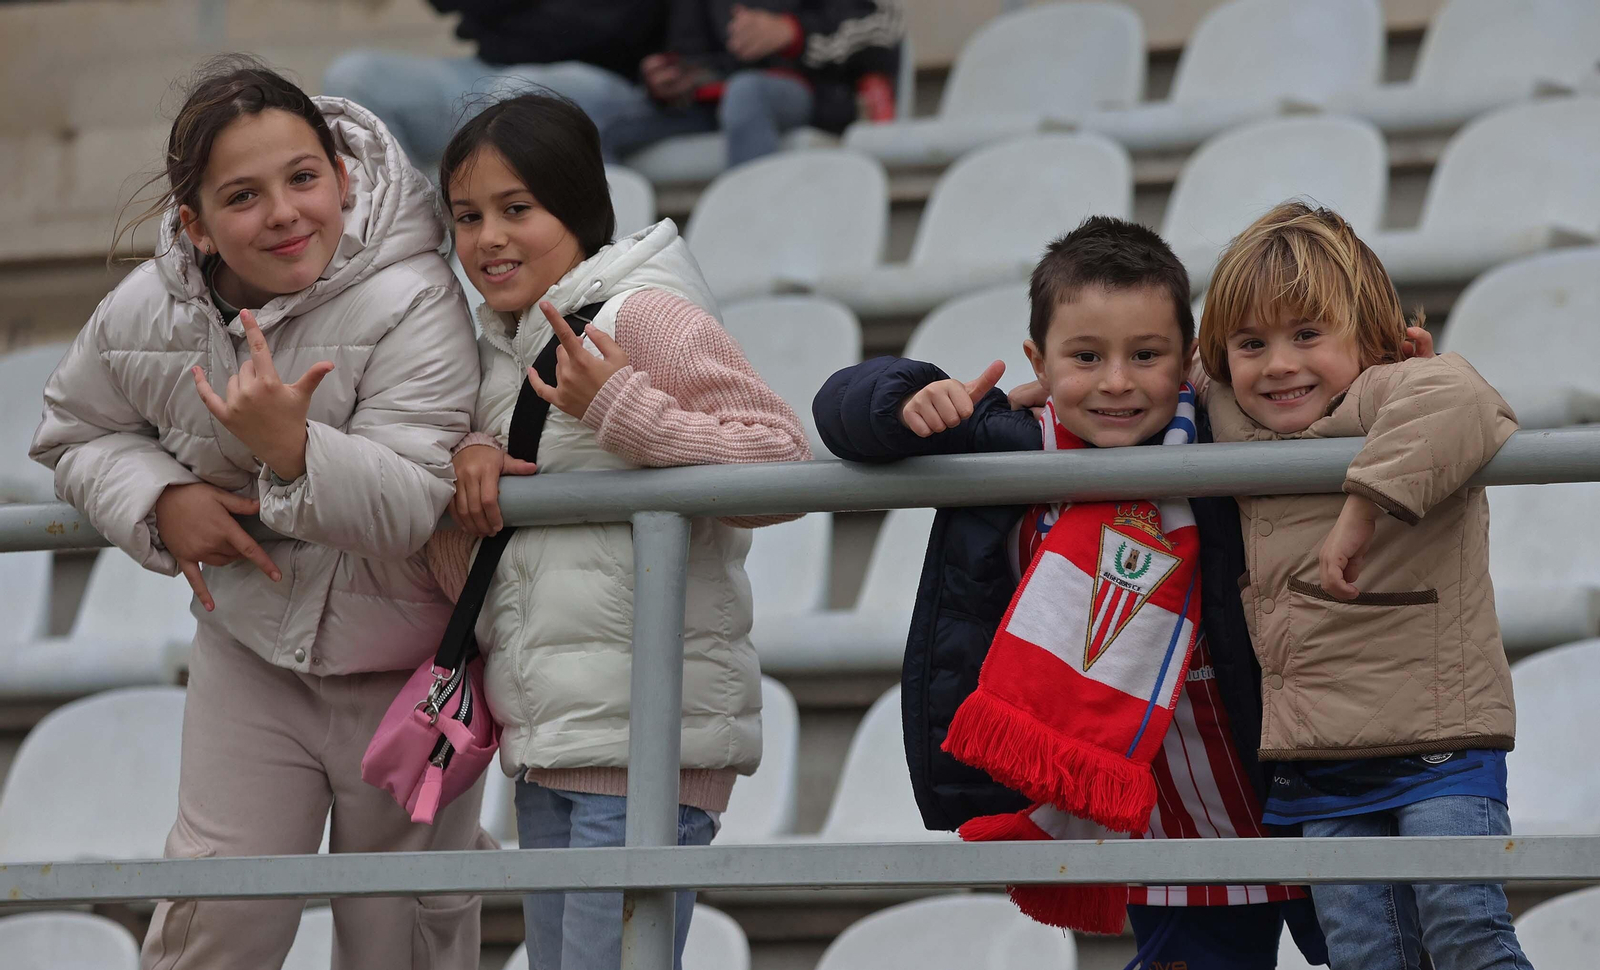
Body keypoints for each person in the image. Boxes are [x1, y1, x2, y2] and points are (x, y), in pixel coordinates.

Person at [29, 58, 486, 969]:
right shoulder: (142, 313)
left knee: (400, 935)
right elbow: (73, 434)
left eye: (303, 178)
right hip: (250, 655)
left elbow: (410, 500)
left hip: (411, 671)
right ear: (194, 224)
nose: (283, 213)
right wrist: (161, 502)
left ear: (343, 176)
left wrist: (293, 450)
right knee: (220, 914)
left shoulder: (418, 292)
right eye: (243, 196)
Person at [813, 217, 1325, 970]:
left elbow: (1341, 393)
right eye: (1086, 357)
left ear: (1187, 360)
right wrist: (912, 396)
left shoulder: (1228, 431)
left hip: (1292, 793)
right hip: (1163, 823)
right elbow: (839, 408)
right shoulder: (1010, 444)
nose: (1117, 382)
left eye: (1145, 356)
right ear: (1038, 360)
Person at [426, 92, 811, 970]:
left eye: (517, 209)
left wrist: (625, 412)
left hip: (648, 746)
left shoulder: (643, 314)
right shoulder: (498, 351)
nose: (488, 238)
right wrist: (464, 472)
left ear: (578, 205)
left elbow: (780, 462)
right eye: (468, 216)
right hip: (551, 740)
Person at [1197, 200, 1531, 970]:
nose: (1279, 364)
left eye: (1308, 335)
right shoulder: (1225, 410)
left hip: (1438, 744)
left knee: (1464, 930)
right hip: (1319, 759)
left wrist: (1362, 505)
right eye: (1252, 343)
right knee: (1363, 954)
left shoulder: (1386, 389)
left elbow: (1465, 400)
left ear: (1372, 342)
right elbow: (1136, 378)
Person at [323, 0, 669, 170]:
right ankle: (415, 242)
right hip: (490, 68)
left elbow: (617, 26)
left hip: (610, 76)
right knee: (356, 77)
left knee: (513, 99)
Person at [601, 0, 904, 168]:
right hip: (715, 96)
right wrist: (670, 76)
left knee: (747, 93)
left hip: (812, 88)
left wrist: (792, 33)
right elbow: (688, 48)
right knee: (591, 124)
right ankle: (610, 263)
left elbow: (883, 26)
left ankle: (752, 242)